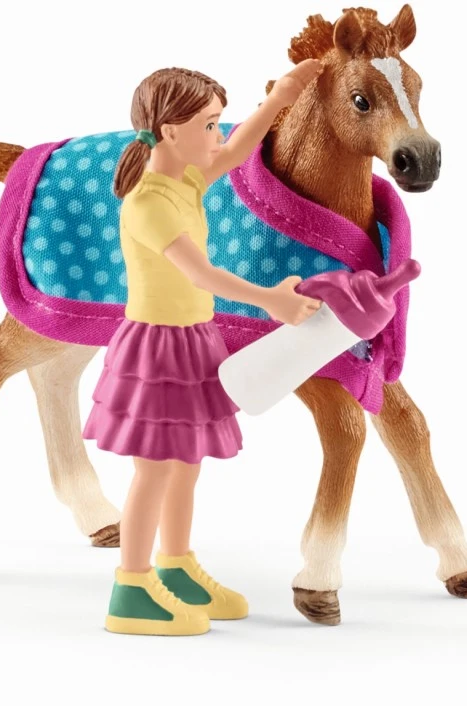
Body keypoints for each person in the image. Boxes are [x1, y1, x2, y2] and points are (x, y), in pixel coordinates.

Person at [82, 61, 323, 636]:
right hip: (156, 348)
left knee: (185, 466)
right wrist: (270, 300)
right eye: (209, 124)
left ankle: (175, 564)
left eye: (217, 122)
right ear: (170, 131)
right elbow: (202, 274)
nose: (218, 134)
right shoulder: (149, 204)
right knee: (154, 470)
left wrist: (279, 99)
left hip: (192, 339)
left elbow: (237, 152)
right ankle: (131, 586)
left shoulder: (184, 181)